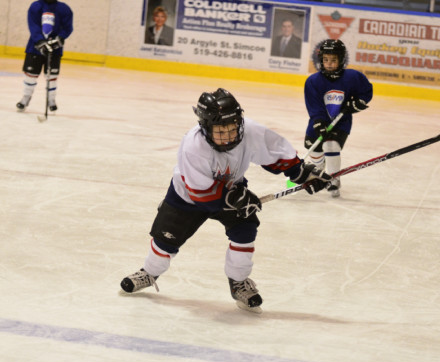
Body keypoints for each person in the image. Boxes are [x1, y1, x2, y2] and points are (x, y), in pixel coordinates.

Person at [120, 88, 332, 313]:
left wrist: (303, 174)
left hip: (231, 189)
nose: (230, 135)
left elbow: (276, 154)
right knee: (166, 240)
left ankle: (238, 282)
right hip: (187, 197)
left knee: (245, 230)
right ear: (205, 127)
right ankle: (150, 272)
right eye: (221, 130)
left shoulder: (250, 131)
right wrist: (237, 199)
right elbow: (202, 194)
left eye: (233, 128)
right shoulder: (193, 146)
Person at [303, 39, 373, 198]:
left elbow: (366, 92)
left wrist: (357, 103)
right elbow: (314, 106)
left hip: (341, 122)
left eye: (333, 60)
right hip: (318, 121)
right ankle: (319, 169)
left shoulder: (353, 77)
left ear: (341, 60)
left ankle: (334, 179)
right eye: (326, 59)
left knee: (331, 145)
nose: (329, 63)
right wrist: (319, 123)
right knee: (313, 149)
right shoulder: (313, 81)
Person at [16, 0, 73, 112]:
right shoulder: (36, 6)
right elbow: (33, 25)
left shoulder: (64, 8)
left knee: (52, 75)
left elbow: (67, 27)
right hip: (35, 48)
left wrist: (60, 38)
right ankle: (25, 98)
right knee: (31, 75)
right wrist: (40, 41)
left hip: (54, 49)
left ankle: (51, 99)